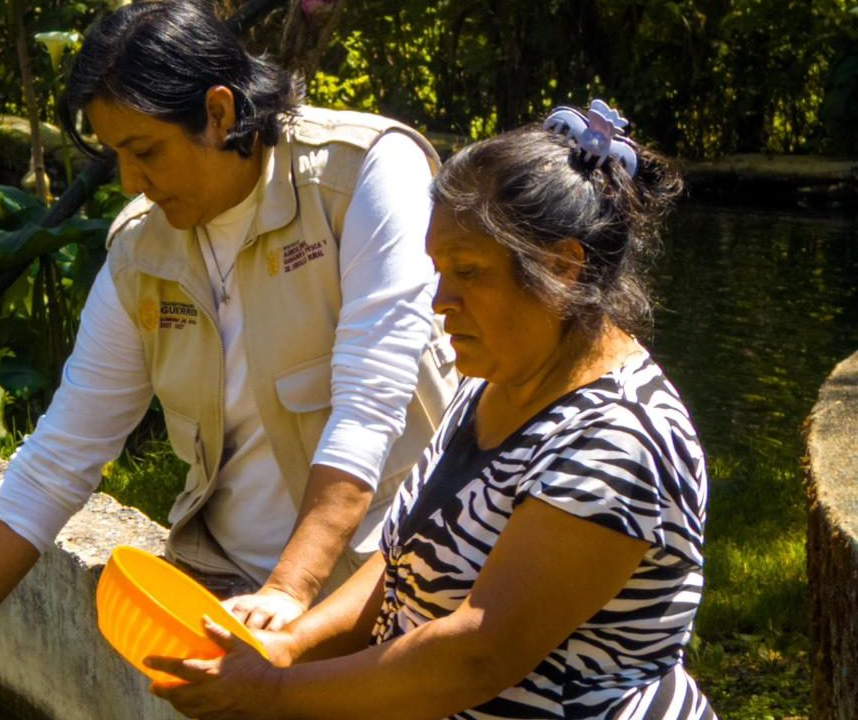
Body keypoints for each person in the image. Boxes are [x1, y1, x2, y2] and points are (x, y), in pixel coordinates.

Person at [0, 1, 458, 717]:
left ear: (219, 114)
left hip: (387, 580)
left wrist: (289, 595)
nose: (131, 181)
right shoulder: (142, 249)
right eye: (117, 156)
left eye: (146, 151)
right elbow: (56, 460)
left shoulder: (364, 173)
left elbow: (369, 403)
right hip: (226, 593)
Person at [145, 101, 716, 720]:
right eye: (439, 269)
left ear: (562, 266)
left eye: (468, 271)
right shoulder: (497, 379)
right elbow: (406, 560)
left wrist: (270, 691)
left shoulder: (617, 440)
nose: (441, 300)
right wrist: (284, 647)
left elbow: (477, 655)